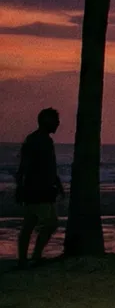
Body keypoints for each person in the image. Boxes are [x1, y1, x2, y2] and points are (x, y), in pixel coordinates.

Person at [13, 108, 62, 267]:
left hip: (42, 189)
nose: (58, 124)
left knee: (32, 223)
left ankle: (28, 257)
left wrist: (57, 183)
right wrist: (20, 187)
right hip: (37, 189)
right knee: (47, 223)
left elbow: (49, 166)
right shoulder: (36, 140)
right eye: (55, 120)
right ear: (46, 121)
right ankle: (31, 256)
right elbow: (25, 166)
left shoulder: (44, 141)